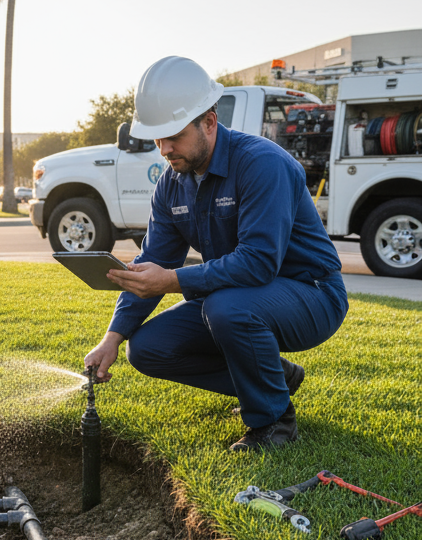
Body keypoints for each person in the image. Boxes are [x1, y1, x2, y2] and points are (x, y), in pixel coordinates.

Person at [84, 56, 348, 451]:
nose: (164, 149)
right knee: (149, 349)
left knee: (226, 308)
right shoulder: (172, 185)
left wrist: (172, 280)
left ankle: (274, 422)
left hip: (311, 294)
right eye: (157, 138)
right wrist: (113, 338)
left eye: (174, 135)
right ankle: (275, 377)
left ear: (209, 121)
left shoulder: (262, 164)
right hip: (242, 295)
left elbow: (258, 262)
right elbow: (153, 263)